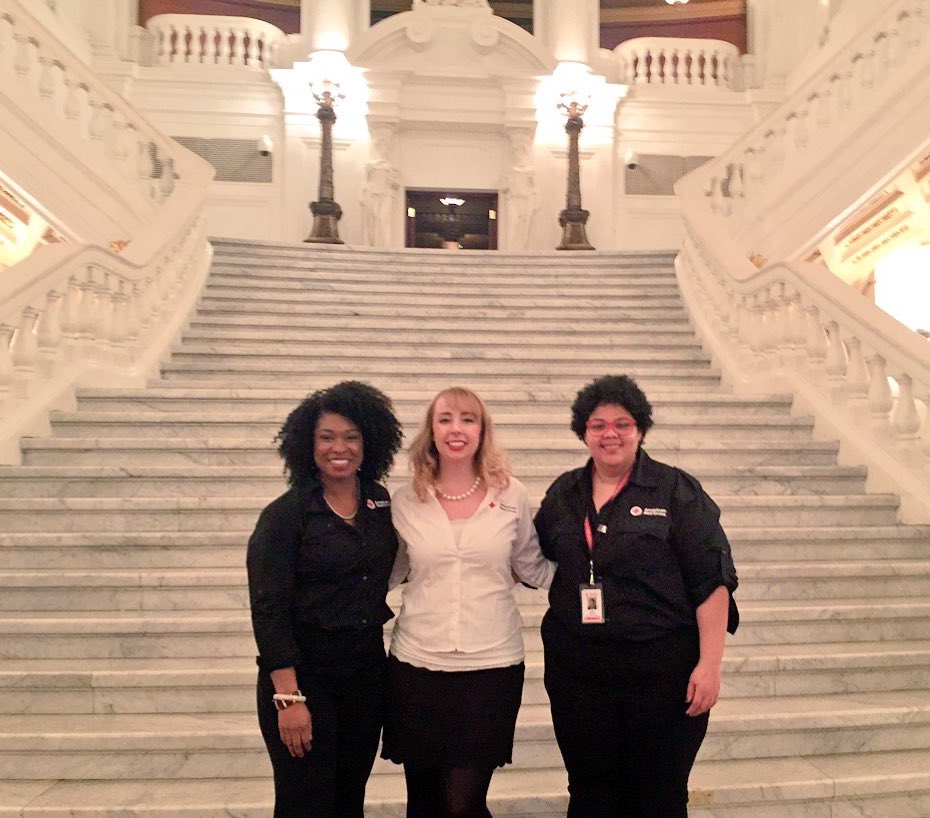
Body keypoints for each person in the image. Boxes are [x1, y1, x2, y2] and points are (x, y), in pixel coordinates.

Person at [534, 374, 739, 818]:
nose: (610, 434)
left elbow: (711, 580)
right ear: (583, 432)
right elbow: (537, 555)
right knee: (589, 793)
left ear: (640, 429)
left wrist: (710, 664)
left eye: (622, 424)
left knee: (659, 795)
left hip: (662, 672)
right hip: (579, 674)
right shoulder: (563, 494)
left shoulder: (676, 490)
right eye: (598, 425)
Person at [382, 386, 556, 818]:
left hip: (491, 669)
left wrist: (606, 584)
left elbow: (532, 565)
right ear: (431, 431)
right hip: (417, 666)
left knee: (464, 803)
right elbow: (392, 571)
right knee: (423, 802)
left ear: (482, 430)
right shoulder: (405, 501)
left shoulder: (510, 493)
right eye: (445, 419)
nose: (456, 428)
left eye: (467, 418)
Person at [246, 381, 404, 818]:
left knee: (349, 797)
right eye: (327, 437)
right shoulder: (285, 515)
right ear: (307, 444)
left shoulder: (380, 501)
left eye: (351, 437)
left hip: (365, 674)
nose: (341, 447)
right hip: (303, 678)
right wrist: (289, 699)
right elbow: (269, 610)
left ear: (369, 442)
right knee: (305, 803)